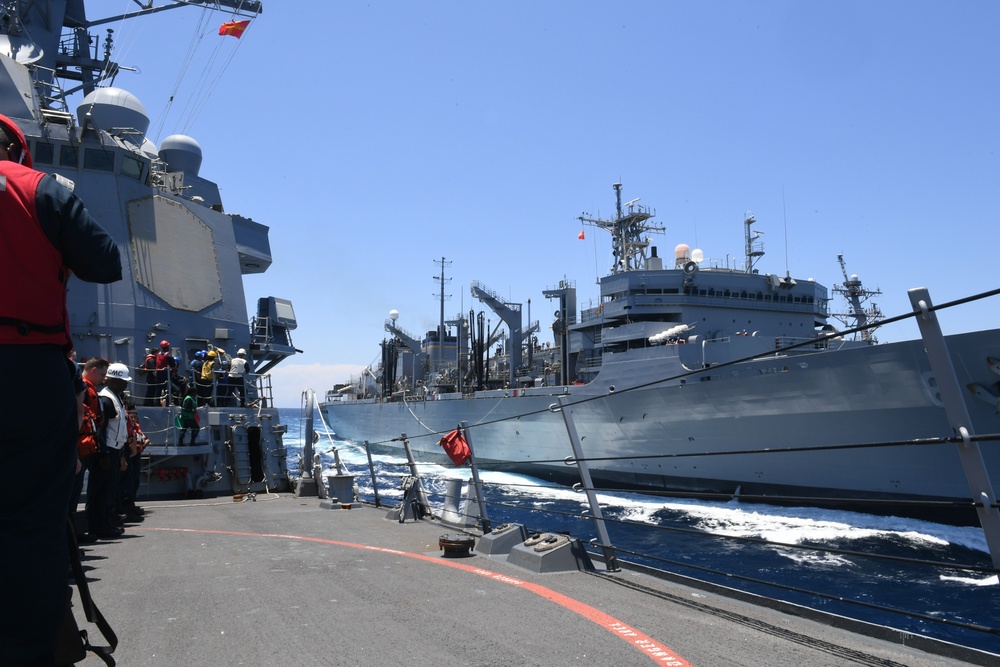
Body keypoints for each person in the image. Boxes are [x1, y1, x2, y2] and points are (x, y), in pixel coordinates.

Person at [0, 113, 121, 665]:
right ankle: (32, 649)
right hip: (28, 371)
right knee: (34, 522)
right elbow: (105, 261)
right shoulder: (37, 188)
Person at [155, 339, 178, 404]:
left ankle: (156, 402)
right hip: (166, 374)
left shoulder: (158, 354)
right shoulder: (168, 355)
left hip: (159, 373)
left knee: (158, 389)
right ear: (167, 347)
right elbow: (173, 365)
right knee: (170, 389)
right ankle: (168, 402)